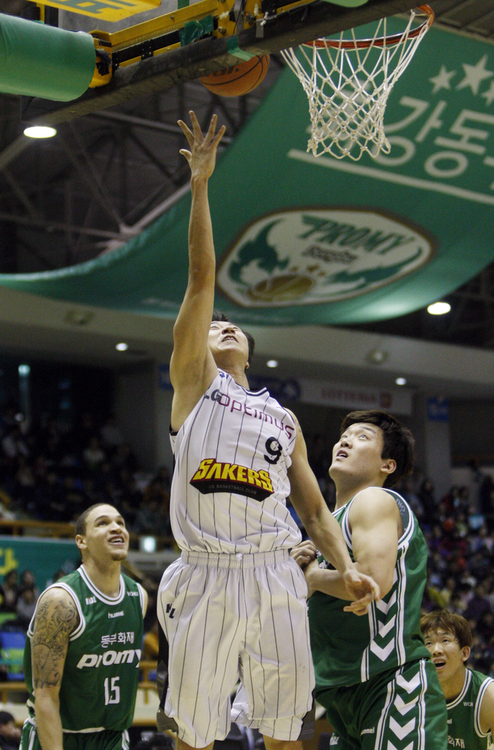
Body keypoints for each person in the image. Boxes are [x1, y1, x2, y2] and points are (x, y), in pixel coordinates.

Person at [157, 111, 379, 750]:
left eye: (233, 326)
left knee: (286, 726)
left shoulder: (283, 419)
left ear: (250, 348)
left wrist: (348, 568)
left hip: (275, 572)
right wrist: (201, 186)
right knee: (193, 733)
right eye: (211, 326)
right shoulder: (196, 387)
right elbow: (203, 281)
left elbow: (314, 508)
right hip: (205, 573)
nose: (221, 327)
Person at [291, 409, 448, 750]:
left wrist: (314, 577)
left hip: (391, 684)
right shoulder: (326, 526)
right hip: (342, 693)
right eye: (345, 436)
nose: (346, 440)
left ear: (387, 465)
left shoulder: (374, 499)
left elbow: (373, 580)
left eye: (363, 437)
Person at [20, 503, 148, 750]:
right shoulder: (61, 602)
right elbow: (46, 696)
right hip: (58, 736)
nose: (116, 528)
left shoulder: (138, 597)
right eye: (103, 523)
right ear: (82, 541)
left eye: (120, 523)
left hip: (112, 738)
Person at [421, 609, 494, 750]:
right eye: (428, 643)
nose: (436, 650)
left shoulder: (488, 695)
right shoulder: (414, 692)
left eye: (445, 640)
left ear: (465, 653)